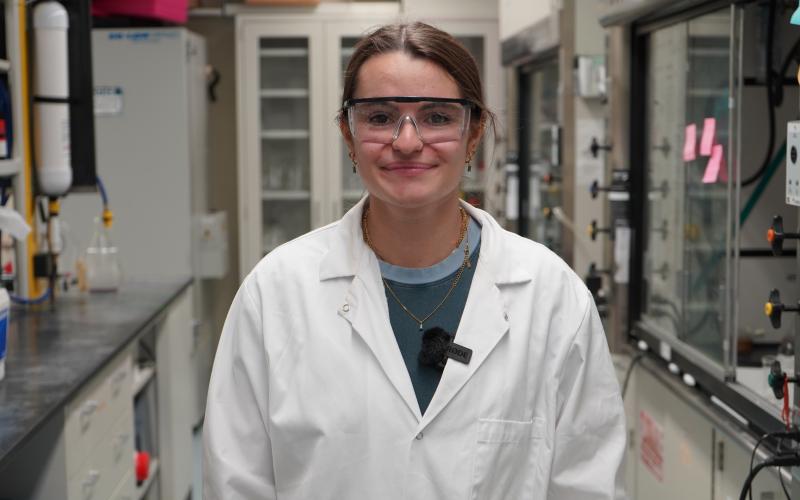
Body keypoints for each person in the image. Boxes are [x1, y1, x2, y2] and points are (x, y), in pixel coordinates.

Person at [204, 21, 626, 499]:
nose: (406, 142)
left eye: (437, 117)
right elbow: (236, 482)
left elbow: (587, 483)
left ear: (473, 134)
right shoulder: (275, 294)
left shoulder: (553, 297)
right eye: (380, 117)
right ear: (349, 132)